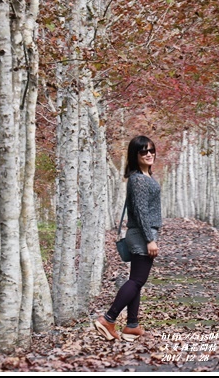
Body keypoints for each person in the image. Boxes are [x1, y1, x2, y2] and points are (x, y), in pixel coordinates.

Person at [94, 135, 162, 342]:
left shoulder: (145, 177)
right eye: (143, 151)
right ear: (135, 155)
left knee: (137, 281)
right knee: (136, 280)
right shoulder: (139, 180)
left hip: (142, 233)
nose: (149, 154)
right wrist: (150, 239)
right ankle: (108, 318)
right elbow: (141, 212)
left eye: (151, 150)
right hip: (142, 234)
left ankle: (132, 325)